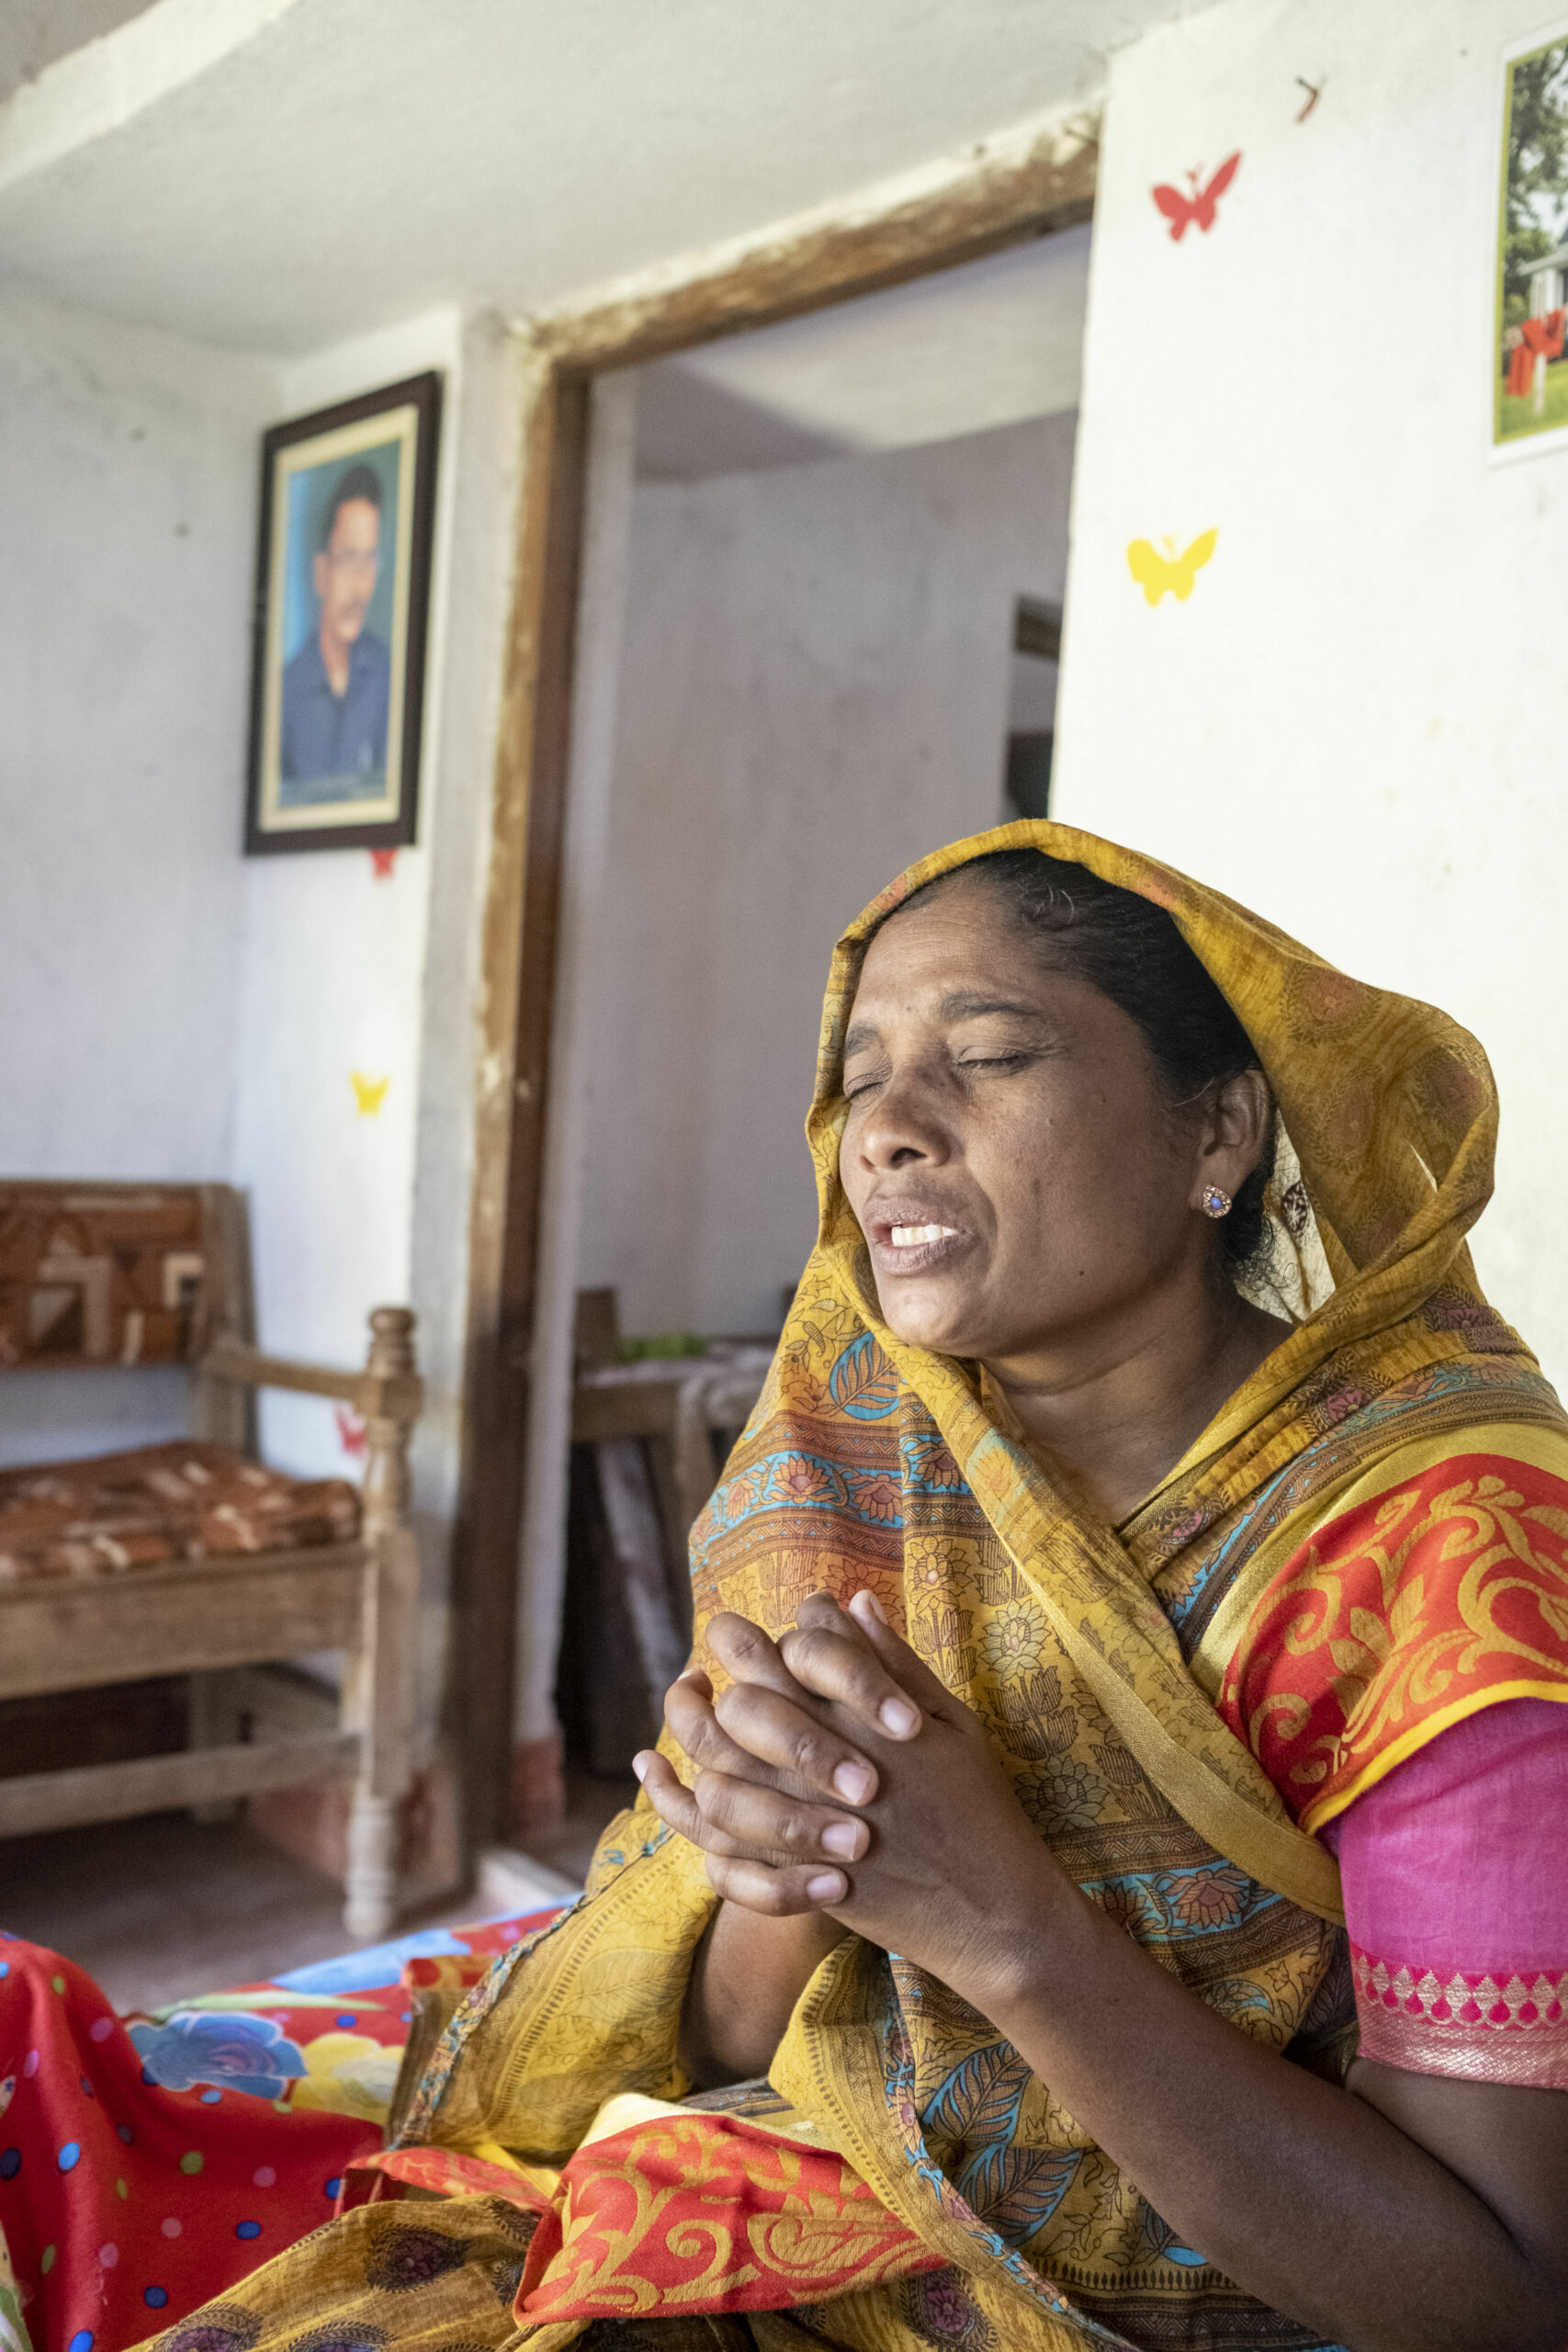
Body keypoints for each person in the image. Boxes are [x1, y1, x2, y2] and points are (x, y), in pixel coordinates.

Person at [4, 823, 1567, 2352]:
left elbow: (1501, 2290)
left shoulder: (1437, 1540)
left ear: (1216, 1133)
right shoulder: (868, 1467)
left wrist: (1007, 1930)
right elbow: (738, 2040)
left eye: (989, 1051)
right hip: (800, 2181)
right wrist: (787, 1861)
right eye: (859, 1075)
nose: (886, 1125)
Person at [278, 461, 391, 800]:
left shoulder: (389, 674)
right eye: (348, 559)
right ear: (321, 571)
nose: (359, 589)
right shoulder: (287, 691)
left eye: (368, 562)